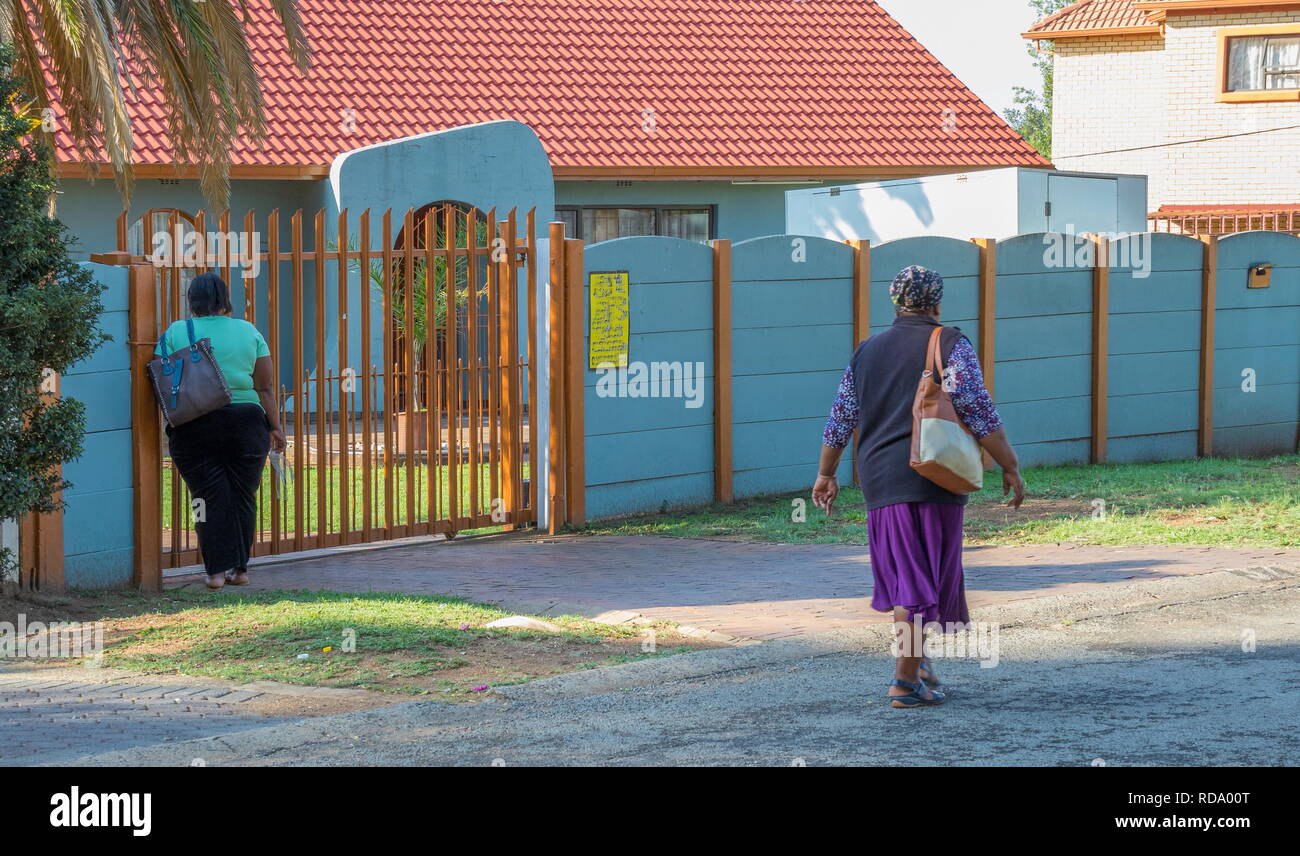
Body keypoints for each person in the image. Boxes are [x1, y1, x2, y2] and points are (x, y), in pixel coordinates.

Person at [812, 265, 1024, 708]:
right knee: (916, 581)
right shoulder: (949, 343)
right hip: (934, 475)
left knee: (908, 575)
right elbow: (977, 408)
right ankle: (904, 682)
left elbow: (841, 417)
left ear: (895, 302)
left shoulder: (866, 351)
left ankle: (919, 665)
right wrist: (1010, 465)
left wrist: (826, 473)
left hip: (880, 480)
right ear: (937, 302)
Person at [156, 273, 286, 591]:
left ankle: (214, 573)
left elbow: (160, 376)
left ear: (192, 300)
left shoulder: (176, 331)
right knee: (243, 496)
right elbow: (265, 386)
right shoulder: (248, 331)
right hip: (247, 422)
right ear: (225, 299)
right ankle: (239, 570)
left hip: (194, 424)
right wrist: (276, 427)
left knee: (206, 498)